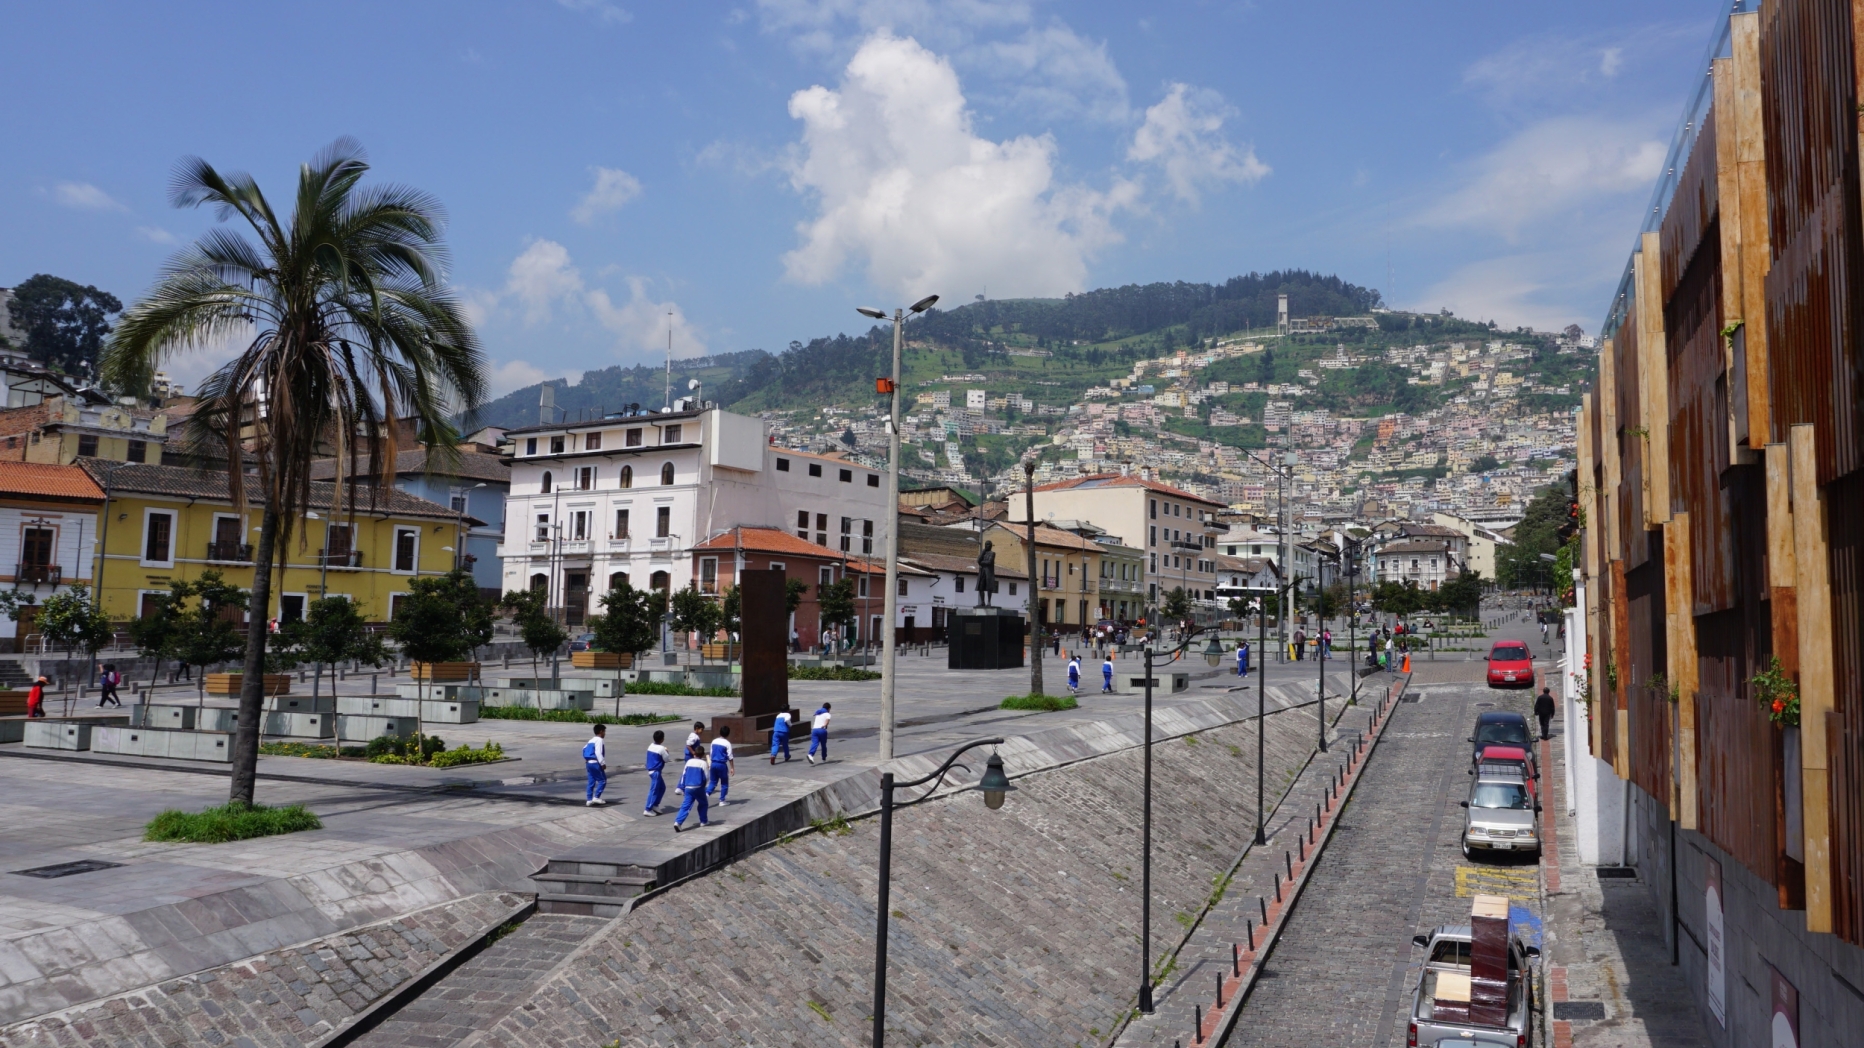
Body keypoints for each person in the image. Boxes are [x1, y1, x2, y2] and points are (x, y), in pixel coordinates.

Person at [672, 745, 711, 832]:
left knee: (686, 806)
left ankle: (678, 822)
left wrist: (682, 787)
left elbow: (684, 775)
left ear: (694, 753)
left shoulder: (688, 762)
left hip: (688, 787)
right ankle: (703, 821)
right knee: (703, 803)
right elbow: (707, 777)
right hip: (698, 787)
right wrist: (704, 785)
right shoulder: (703, 763)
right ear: (703, 755)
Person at [642, 730, 669, 816]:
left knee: (662, 788)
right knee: (654, 790)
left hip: (651, 770)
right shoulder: (661, 748)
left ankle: (655, 804)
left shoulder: (650, 746)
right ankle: (648, 808)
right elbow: (666, 759)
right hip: (656, 771)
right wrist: (667, 751)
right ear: (662, 739)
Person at [582, 724, 608, 807]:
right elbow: (598, 752)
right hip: (595, 763)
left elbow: (584, 748)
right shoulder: (599, 740)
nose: (605, 733)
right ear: (601, 731)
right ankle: (596, 797)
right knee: (602, 780)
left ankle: (589, 800)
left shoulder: (591, 740)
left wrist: (586, 758)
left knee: (591, 781)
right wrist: (602, 763)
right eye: (604, 731)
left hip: (588, 763)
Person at [707, 725, 735, 804]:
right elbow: (730, 756)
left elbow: (711, 753)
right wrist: (732, 768)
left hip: (713, 763)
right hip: (722, 765)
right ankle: (722, 800)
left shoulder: (714, 741)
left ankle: (706, 794)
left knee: (712, 782)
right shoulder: (727, 743)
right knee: (724, 783)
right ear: (728, 734)